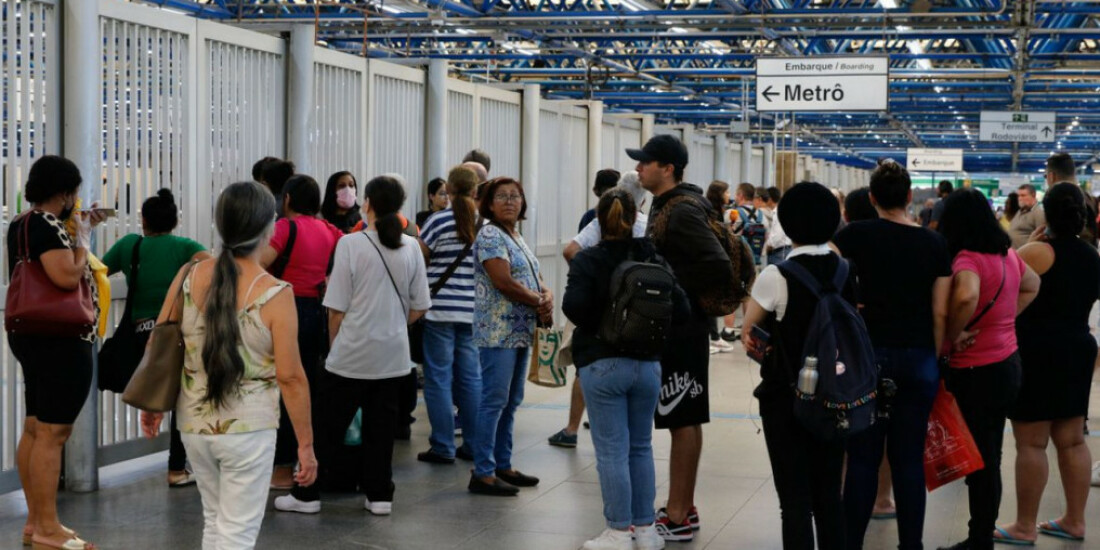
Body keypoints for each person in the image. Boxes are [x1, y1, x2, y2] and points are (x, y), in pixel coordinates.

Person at [140, 181, 317, 550]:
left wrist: (153, 405)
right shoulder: (275, 293)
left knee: (215, 524)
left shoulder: (189, 276)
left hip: (194, 426)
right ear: (269, 227)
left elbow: (160, 339)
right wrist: (306, 444)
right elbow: (291, 377)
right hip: (248, 431)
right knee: (237, 533)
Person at [276, 175, 430, 516]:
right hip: (393, 356)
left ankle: (308, 495)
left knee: (327, 428)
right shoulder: (411, 248)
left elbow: (336, 309)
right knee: (382, 428)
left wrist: (335, 348)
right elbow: (420, 305)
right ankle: (379, 496)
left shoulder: (351, 244)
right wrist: (391, 324)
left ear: (368, 203)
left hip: (351, 354)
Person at [834, 161, 952, 550]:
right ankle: (911, 544)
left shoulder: (854, 235)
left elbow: (829, 279)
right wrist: (933, 359)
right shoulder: (934, 244)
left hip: (867, 359)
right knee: (908, 459)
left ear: (871, 198)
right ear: (908, 197)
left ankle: (851, 541)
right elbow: (940, 310)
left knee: (864, 457)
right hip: (918, 356)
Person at [563, 188, 688, 550]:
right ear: (635, 219)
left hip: (602, 365)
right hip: (648, 365)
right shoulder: (654, 259)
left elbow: (574, 307)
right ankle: (646, 531)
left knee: (612, 451)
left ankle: (618, 532)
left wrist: (602, 325)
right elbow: (680, 309)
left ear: (598, 221)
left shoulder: (589, 260)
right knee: (641, 447)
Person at [741, 182, 854, 550]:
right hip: (836, 394)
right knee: (829, 495)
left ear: (787, 225)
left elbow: (748, 334)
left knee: (795, 500)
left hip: (786, 398)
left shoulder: (777, 276)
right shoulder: (845, 271)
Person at [631, 135, 732, 542]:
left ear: (667, 168)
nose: (639, 169)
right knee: (683, 416)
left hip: (683, 327)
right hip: (682, 325)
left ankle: (676, 515)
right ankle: (682, 506)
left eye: (645, 163)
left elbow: (717, 263)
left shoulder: (681, 210)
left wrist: (673, 294)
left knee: (682, 416)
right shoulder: (673, 205)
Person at [9, 156, 109, 550]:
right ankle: (48, 527)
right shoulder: (46, 224)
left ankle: (38, 522)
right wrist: (83, 240)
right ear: (65, 192)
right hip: (59, 337)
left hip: (30, 332)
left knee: (36, 427)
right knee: (54, 431)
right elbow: (66, 276)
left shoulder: (21, 222)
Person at [994, 182, 1100, 545]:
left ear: (1046, 215)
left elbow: (1004, 280)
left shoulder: (1036, 252)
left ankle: (1025, 526)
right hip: (1077, 347)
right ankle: (1074, 520)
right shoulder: (1092, 255)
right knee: (1072, 440)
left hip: (1037, 349)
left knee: (1032, 443)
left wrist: (1027, 246)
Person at [935, 189, 1040, 550]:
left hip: (977, 370)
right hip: (1008, 362)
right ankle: (980, 535)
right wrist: (1004, 322)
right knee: (988, 455)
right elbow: (1033, 284)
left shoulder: (967, 259)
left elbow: (965, 296)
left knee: (980, 461)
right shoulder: (1007, 253)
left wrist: (953, 334)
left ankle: (980, 539)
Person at [102, 189, 211, 487]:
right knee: (180, 397)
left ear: (144, 220)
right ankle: (176, 469)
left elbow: (97, 271)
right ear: (175, 220)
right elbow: (212, 268)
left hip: (138, 334)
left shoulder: (130, 246)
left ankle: (149, 411)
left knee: (139, 383)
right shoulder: (184, 246)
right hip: (173, 334)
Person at [550, 172, 649, 449]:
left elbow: (571, 251)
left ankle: (571, 429)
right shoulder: (647, 228)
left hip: (598, 327)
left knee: (585, 371)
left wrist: (587, 276)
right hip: (638, 329)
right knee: (639, 445)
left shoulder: (595, 222)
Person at [468, 177, 553, 496]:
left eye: (515, 196)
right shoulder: (490, 233)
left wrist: (546, 291)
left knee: (511, 400)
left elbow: (533, 275)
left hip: (520, 330)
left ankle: (503, 463)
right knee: (493, 400)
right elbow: (503, 281)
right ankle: (483, 471)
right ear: (488, 204)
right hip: (498, 330)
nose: (509, 201)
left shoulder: (515, 235)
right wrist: (538, 300)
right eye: (501, 196)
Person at [259, 175, 344, 490]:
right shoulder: (329, 230)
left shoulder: (284, 228)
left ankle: (280, 468)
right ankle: (304, 457)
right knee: (305, 387)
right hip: (317, 312)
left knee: (281, 388)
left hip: (285, 308)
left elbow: (260, 264)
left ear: (288, 199)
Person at [416, 165, 482, 464]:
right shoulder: (486, 225)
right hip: (472, 313)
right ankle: (472, 443)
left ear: (450, 190)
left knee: (439, 379)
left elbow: (419, 261)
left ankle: (442, 445)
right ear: (476, 191)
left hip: (439, 311)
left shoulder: (437, 221)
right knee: (470, 379)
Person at [704, 181, 735, 354]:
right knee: (709, 300)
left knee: (714, 300)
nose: (729, 195)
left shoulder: (722, 212)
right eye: (727, 192)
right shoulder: (711, 213)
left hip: (718, 259)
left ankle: (714, 337)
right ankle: (710, 338)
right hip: (710, 262)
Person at [1008, 184, 1045, 249]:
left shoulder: (1038, 213)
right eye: (1018, 196)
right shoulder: (1020, 212)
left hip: (1026, 255)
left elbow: (1041, 238)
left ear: (1033, 195)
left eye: (1023, 195)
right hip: (1014, 254)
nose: (1020, 198)